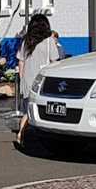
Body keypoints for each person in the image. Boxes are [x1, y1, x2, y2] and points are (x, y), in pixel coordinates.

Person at [17, 14, 60, 143]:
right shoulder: (49, 41)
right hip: (42, 80)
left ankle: (24, 133)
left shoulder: (26, 40)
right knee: (37, 109)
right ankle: (21, 134)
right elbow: (55, 61)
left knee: (28, 108)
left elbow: (21, 61)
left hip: (27, 79)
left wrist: (22, 78)